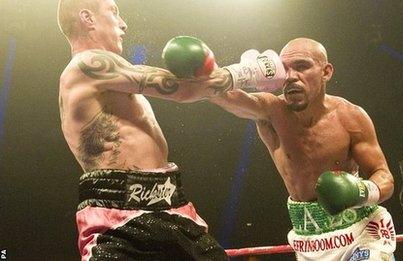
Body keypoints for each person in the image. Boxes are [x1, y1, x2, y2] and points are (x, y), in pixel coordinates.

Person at [57, 0, 283, 260]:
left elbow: (189, 87)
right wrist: (251, 71)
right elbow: (183, 90)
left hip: (171, 205)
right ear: (87, 18)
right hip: (116, 220)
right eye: (114, 12)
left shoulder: (113, 79)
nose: (123, 23)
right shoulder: (87, 66)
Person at [210, 38, 396, 260]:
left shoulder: (351, 116)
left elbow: (385, 178)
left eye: (301, 66)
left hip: (361, 231)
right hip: (308, 242)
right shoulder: (270, 111)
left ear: (325, 72)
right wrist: (243, 72)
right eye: (283, 68)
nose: (290, 76)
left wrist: (360, 192)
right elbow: (213, 93)